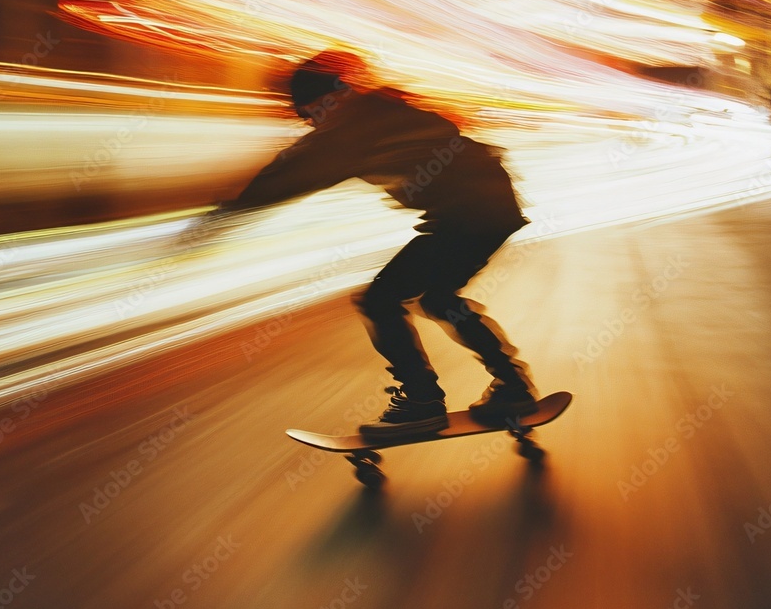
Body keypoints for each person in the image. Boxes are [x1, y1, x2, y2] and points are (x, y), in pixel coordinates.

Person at [204, 52, 538, 437]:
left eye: (308, 112)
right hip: (486, 210)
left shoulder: (351, 127)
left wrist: (227, 211)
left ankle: (422, 401)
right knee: (438, 300)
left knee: (379, 301)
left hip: (469, 216)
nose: (309, 122)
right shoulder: (375, 110)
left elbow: (292, 170)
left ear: (327, 99)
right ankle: (512, 387)